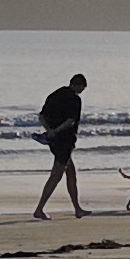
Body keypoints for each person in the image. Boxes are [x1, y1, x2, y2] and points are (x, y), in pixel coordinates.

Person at [33, 74, 92, 220]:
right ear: (78, 85)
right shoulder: (75, 99)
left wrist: (49, 131)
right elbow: (71, 121)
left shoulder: (56, 94)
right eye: (82, 88)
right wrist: (57, 131)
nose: (82, 91)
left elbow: (41, 116)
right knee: (56, 175)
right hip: (64, 141)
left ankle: (77, 209)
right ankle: (39, 209)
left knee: (71, 173)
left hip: (54, 140)